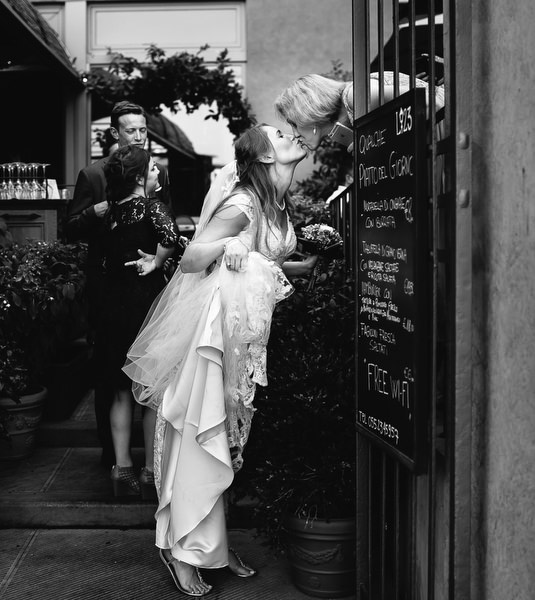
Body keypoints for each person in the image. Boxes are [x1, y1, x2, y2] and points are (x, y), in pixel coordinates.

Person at [123, 125, 318, 596]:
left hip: (244, 335)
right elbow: (192, 258)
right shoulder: (242, 203)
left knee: (231, 441)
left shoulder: (274, 202)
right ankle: (179, 548)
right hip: (215, 337)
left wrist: (300, 266)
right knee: (201, 435)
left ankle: (213, 542)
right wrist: (226, 245)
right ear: (265, 157)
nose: (290, 133)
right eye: (278, 133)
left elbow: (260, 255)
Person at [66, 101, 172, 469]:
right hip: (107, 282)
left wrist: (159, 260)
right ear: (115, 132)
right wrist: (92, 214)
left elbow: (166, 232)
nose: (140, 136)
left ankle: (136, 460)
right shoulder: (92, 175)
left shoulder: (155, 174)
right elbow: (69, 229)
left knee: (145, 371)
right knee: (110, 372)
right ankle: (113, 455)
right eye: (132, 131)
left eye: (144, 130)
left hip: (147, 285)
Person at [94, 144, 178, 497]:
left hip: (113, 307)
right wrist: (157, 262)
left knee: (119, 391)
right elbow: (171, 239)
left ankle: (122, 468)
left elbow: (101, 259)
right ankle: (149, 472)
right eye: (154, 169)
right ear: (140, 177)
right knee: (149, 391)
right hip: (145, 308)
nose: (158, 173)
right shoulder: (152, 207)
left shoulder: (111, 213)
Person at [274, 72, 445, 152]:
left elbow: (427, 104)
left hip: (445, 125)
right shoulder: (347, 115)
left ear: (307, 111)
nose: (294, 134)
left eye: (294, 124)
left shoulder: (354, 95)